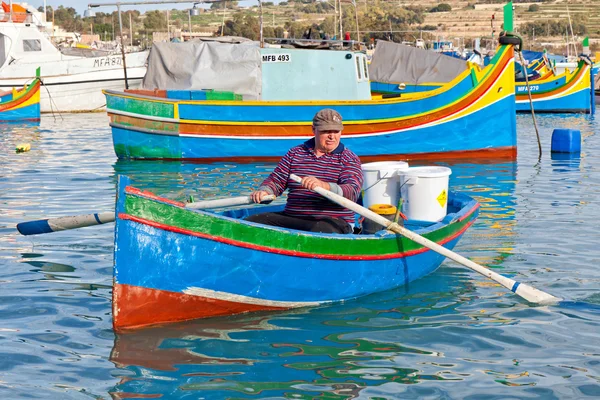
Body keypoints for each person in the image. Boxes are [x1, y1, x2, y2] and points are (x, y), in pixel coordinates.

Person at [246, 109, 363, 234]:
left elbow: (352, 191)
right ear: (314, 130)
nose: (332, 136)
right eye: (326, 131)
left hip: (333, 222)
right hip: (294, 218)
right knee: (251, 222)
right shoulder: (295, 153)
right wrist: (265, 191)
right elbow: (276, 181)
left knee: (322, 230)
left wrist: (324, 186)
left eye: (336, 131)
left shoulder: (349, 158)